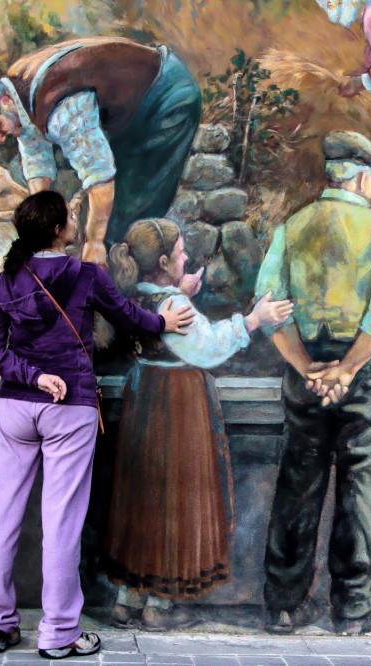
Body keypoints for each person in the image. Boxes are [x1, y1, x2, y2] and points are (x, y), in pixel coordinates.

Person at [0, 191, 194, 658]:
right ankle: (58, 634)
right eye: (71, 216)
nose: (77, 220)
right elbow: (129, 318)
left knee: (0, 517)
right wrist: (163, 322)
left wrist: (32, 376)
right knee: (62, 523)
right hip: (69, 406)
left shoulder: (8, 278)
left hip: (15, 408)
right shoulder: (86, 275)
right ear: (58, 230)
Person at [101, 219, 293, 631]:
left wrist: (181, 291)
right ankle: (159, 600)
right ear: (164, 262)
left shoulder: (138, 295)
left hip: (145, 396)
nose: (187, 258)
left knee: (143, 496)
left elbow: (169, 327)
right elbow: (208, 348)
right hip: (177, 405)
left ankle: (128, 597)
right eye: (181, 253)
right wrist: (253, 319)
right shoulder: (176, 305)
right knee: (174, 495)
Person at [255, 131, 371, 635]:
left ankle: (283, 603)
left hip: (307, 371)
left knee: (299, 481)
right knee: (363, 484)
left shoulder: (292, 228)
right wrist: (347, 369)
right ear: (362, 178)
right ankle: (356, 608)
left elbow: (270, 309)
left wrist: (306, 369)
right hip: (368, 374)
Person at [0, 36, 201, 265]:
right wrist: (40, 228)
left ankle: (141, 279)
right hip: (134, 107)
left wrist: (94, 243)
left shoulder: (62, 107)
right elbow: (37, 162)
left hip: (169, 95)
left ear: (4, 102)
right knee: (102, 213)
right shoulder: (19, 94)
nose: (0, 139)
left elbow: (100, 178)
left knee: (128, 211)